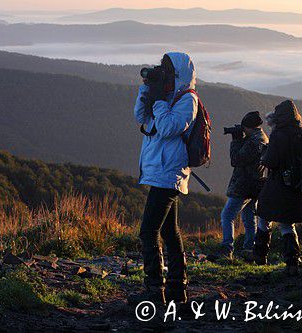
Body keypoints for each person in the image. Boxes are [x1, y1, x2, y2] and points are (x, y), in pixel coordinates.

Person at [129, 52, 197, 306]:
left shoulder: (187, 99)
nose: (163, 73)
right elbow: (141, 117)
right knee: (169, 232)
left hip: (169, 173)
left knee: (148, 230)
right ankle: (177, 289)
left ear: (178, 74)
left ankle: (154, 290)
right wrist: (147, 90)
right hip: (160, 170)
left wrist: (159, 100)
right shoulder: (167, 96)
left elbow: (169, 128)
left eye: (167, 70)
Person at [254, 100, 302, 275]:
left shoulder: (279, 135)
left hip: (278, 185)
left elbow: (270, 161)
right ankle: (293, 261)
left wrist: (264, 153)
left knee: (263, 217)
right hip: (298, 188)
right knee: (287, 224)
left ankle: (260, 257)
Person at [219, 112, 269, 259]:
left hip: (244, 185)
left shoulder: (254, 142)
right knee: (248, 217)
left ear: (249, 127)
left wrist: (235, 140)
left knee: (227, 215)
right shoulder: (261, 138)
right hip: (255, 184)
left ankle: (227, 249)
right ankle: (249, 248)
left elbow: (236, 160)